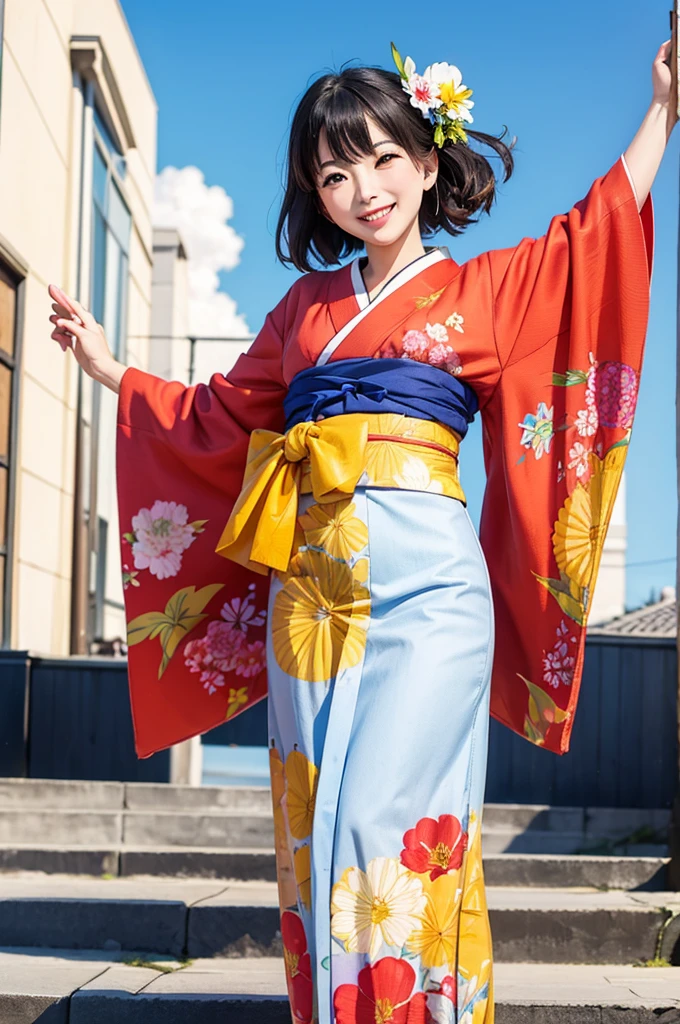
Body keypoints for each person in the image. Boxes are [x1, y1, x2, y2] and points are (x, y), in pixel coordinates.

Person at [48, 37, 671, 1024]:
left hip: (430, 595)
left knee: (391, 818)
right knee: (319, 825)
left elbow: (583, 240)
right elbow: (216, 413)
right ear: (316, 192)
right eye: (334, 172)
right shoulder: (303, 310)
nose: (362, 188)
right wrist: (111, 369)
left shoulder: (482, 293)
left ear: (427, 163)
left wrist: (660, 113)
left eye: (383, 159)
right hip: (313, 600)